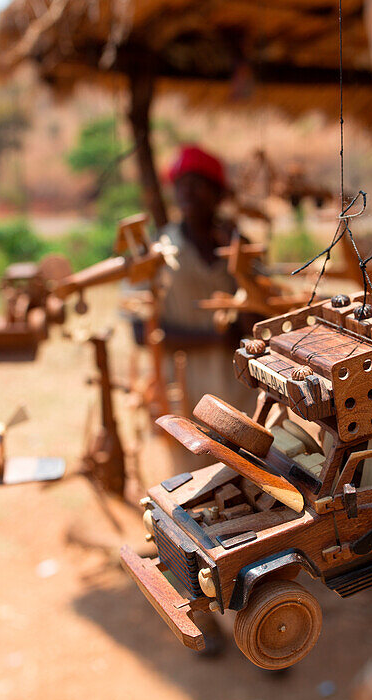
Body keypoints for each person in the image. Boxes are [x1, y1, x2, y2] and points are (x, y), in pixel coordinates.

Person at [130, 145, 257, 480]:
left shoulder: (239, 244)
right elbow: (139, 330)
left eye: (197, 182)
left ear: (218, 193)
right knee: (192, 486)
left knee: (247, 477)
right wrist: (214, 337)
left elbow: (261, 318)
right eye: (181, 183)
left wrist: (240, 262)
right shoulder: (158, 252)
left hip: (238, 390)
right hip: (183, 390)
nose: (187, 191)